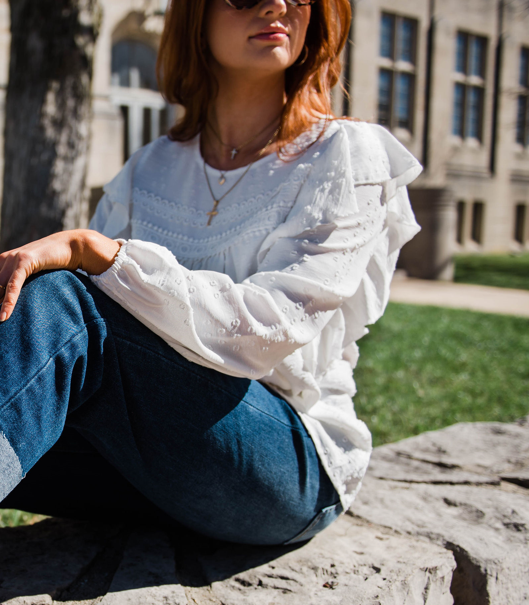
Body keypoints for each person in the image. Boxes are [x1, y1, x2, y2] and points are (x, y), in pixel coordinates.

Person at [0, 0, 422, 545]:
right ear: (195, 14)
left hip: (285, 465)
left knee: (61, 302)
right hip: (149, 464)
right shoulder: (149, 167)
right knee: (34, 319)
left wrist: (105, 255)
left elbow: (269, 331)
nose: (277, 5)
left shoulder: (345, 154)